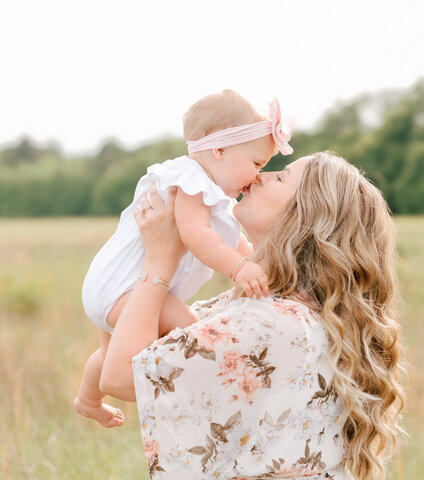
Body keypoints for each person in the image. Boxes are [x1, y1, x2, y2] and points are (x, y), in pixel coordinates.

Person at [99, 152, 407, 480]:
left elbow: (118, 376)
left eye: (281, 178)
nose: (261, 176)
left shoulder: (268, 323)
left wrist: (159, 262)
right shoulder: (287, 309)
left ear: (306, 215)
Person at [74, 90, 294, 427]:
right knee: (192, 328)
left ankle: (88, 400)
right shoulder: (190, 182)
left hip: (117, 287)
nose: (257, 177)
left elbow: (234, 242)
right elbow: (197, 237)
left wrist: (253, 261)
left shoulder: (212, 195)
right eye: (257, 164)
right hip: (125, 288)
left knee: (109, 356)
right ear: (219, 150)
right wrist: (238, 269)